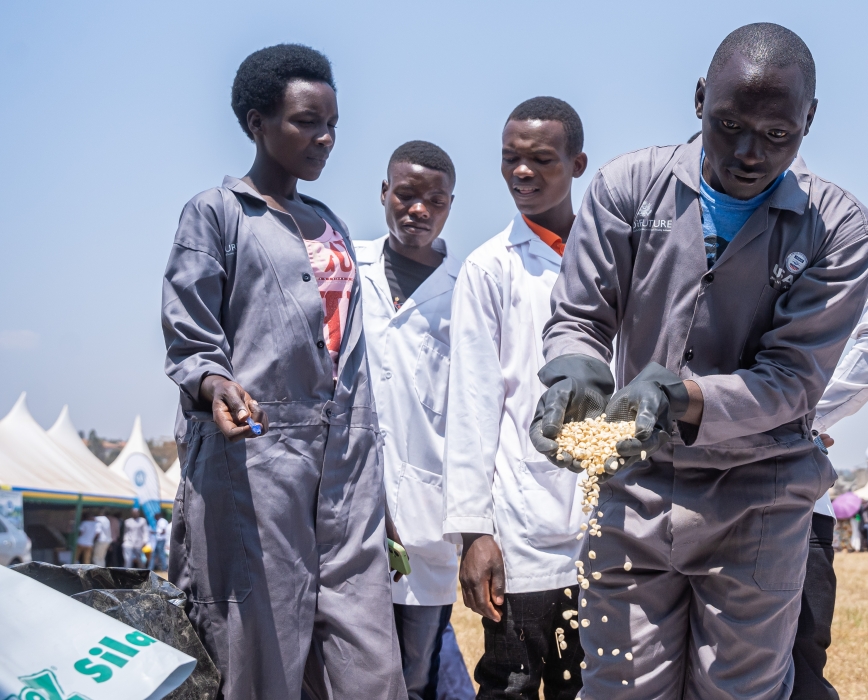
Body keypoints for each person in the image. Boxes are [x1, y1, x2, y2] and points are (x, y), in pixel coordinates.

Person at [533, 23, 868, 697]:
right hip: (634, 490)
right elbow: (579, 316)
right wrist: (573, 373)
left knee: (739, 688)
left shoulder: (839, 229)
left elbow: (791, 382)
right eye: (728, 125)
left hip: (760, 498)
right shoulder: (628, 188)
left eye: (778, 134)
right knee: (619, 686)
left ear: (809, 119)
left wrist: (681, 398)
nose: (750, 153)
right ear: (698, 100)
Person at [160, 44, 403, 698]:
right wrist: (215, 386)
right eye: (305, 121)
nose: (324, 138)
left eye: (333, 124)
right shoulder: (217, 214)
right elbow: (190, 333)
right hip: (254, 467)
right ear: (255, 122)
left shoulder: (334, 227)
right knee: (256, 660)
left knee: (369, 665)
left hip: (346, 471)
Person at [442, 96, 590, 698]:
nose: (522, 173)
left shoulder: (615, 257)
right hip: (524, 527)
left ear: (577, 164)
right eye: (510, 159)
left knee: (603, 682)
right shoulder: (489, 268)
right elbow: (472, 407)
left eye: (541, 159)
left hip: (610, 522)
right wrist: (474, 533)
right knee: (514, 685)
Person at [355, 140, 472, 699]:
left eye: (435, 200)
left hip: (428, 522)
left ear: (450, 206)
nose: (418, 210)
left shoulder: (466, 294)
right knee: (347, 667)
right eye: (405, 195)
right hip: (348, 513)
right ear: (384, 193)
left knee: (414, 675)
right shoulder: (346, 271)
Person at [792, 290, 868, 700]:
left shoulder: (808, 244)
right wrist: (799, 416)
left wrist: (794, 415)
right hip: (796, 498)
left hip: (788, 501)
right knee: (799, 664)